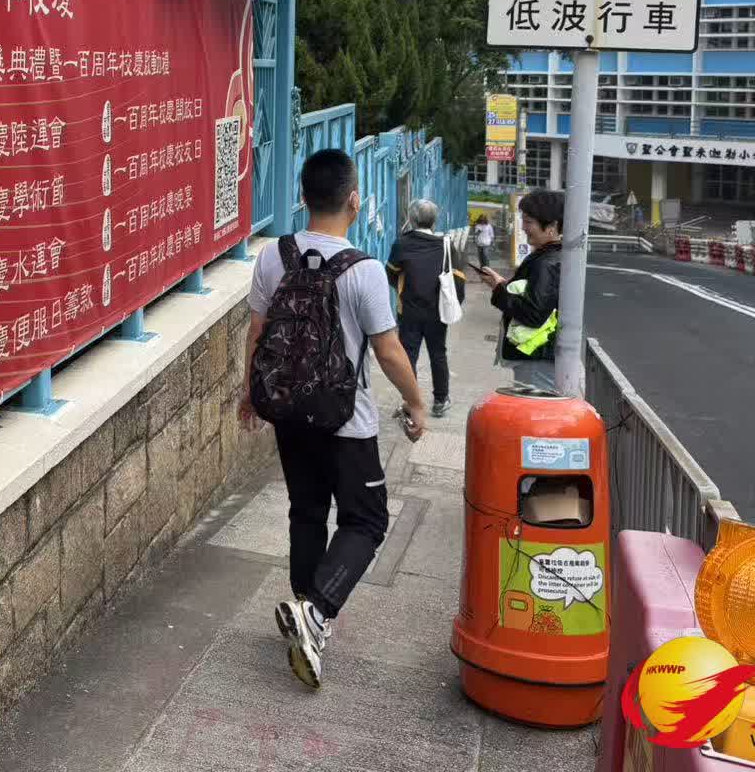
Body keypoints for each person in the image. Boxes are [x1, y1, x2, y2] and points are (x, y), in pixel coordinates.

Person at [239, 148, 428, 690]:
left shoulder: (272, 256)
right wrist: (416, 404)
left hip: (288, 412)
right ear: (354, 200)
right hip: (346, 420)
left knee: (306, 511)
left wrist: (249, 394)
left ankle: (305, 616)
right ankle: (317, 612)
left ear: (302, 196)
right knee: (366, 521)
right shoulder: (363, 271)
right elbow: (389, 352)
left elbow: (257, 333)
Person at [477, 189, 564, 392]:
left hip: (536, 358)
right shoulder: (551, 256)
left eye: (529, 222)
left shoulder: (546, 263)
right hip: (539, 356)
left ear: (552, 226)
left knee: (535, 410)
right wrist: (502, 284)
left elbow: (533, 314)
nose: (523, 227)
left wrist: (499, 290)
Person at [386, 199, 464, 419]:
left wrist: (404, 290)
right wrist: (453, 305)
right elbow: (458, 280)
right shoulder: (446, 245)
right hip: (437, 312)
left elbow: (391, 273)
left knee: (408, 356)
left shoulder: (402, 244)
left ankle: (411, 402)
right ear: (434, 221)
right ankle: (440, 400)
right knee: (438, 354)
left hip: (409, 311)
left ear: (411, 219)